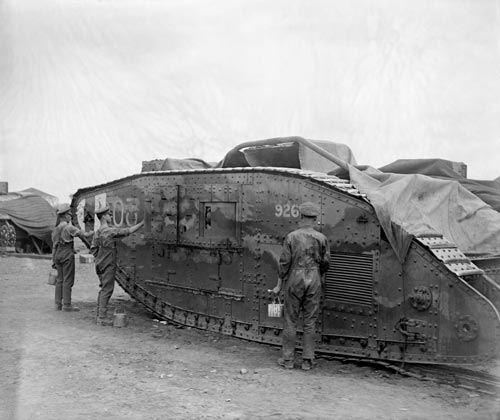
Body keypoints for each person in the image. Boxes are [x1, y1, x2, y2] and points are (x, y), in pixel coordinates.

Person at [271, 201, 330, 371]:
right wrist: (319, 274)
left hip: (295, 278)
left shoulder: (291, 237)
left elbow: (284, 263)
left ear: (301, 217)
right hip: (315, 278)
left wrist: (279, 284)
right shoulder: (322, 238)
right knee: (310, 322)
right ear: (315, 219)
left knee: (290, 320)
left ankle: (288, 360)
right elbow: (326, 263)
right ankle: (307, 361)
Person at [91, 205, 144, 326]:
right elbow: (128, 231)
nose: (111, 216)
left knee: (103, 289)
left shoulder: (97, 232)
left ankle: (100, 315)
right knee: (107, 290)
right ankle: (102, 317)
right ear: (104, 217)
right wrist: (142, 223)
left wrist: (100, 258)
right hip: (108, 264)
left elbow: (93, 249)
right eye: (109, 214)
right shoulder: (109, 231)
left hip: (99, 264)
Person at [52, 205, 94, 312]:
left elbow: (55, 245)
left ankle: (57, 304)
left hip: (57, 255)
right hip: (67, 256)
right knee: (68, 280)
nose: (71, 217)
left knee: (59, 280)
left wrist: (53, 260)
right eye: (70, 215)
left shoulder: (56, 229)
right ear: (66, 215)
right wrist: (94, 231)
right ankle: (67, 305)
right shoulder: (69, 227)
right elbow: (85, 235)